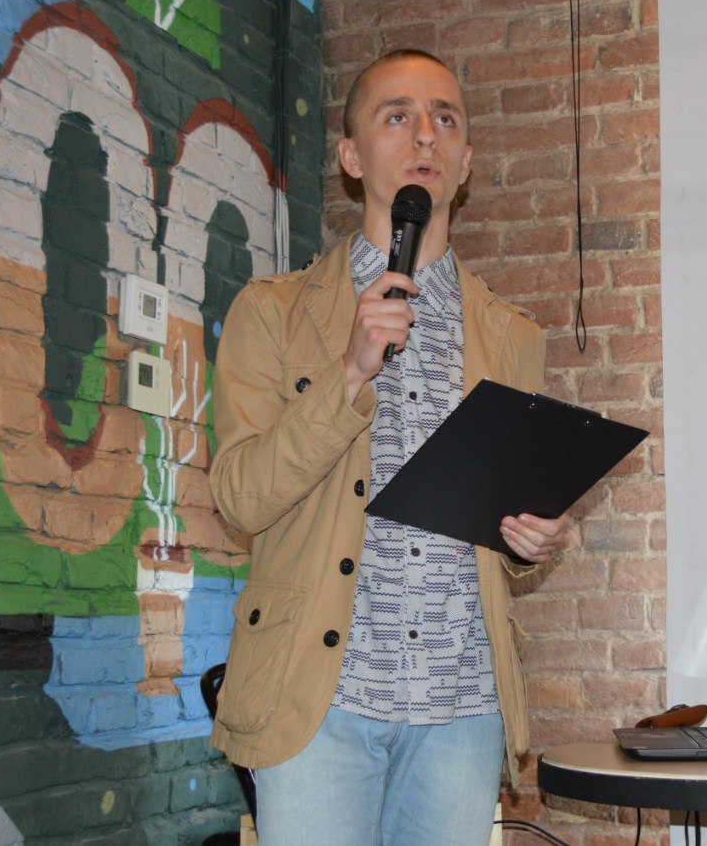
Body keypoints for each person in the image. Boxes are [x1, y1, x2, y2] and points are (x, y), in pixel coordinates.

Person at [208, 49, 575, 846]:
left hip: (461, 709)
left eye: (445, 118)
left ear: (466, 162)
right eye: (397, 115)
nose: (425, 135)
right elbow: (238, 495)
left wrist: (535, 537)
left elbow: (505, 520)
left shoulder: (512, 335)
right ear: (351, 156)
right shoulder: (272, 312)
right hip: (317, 702)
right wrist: (348, 372)